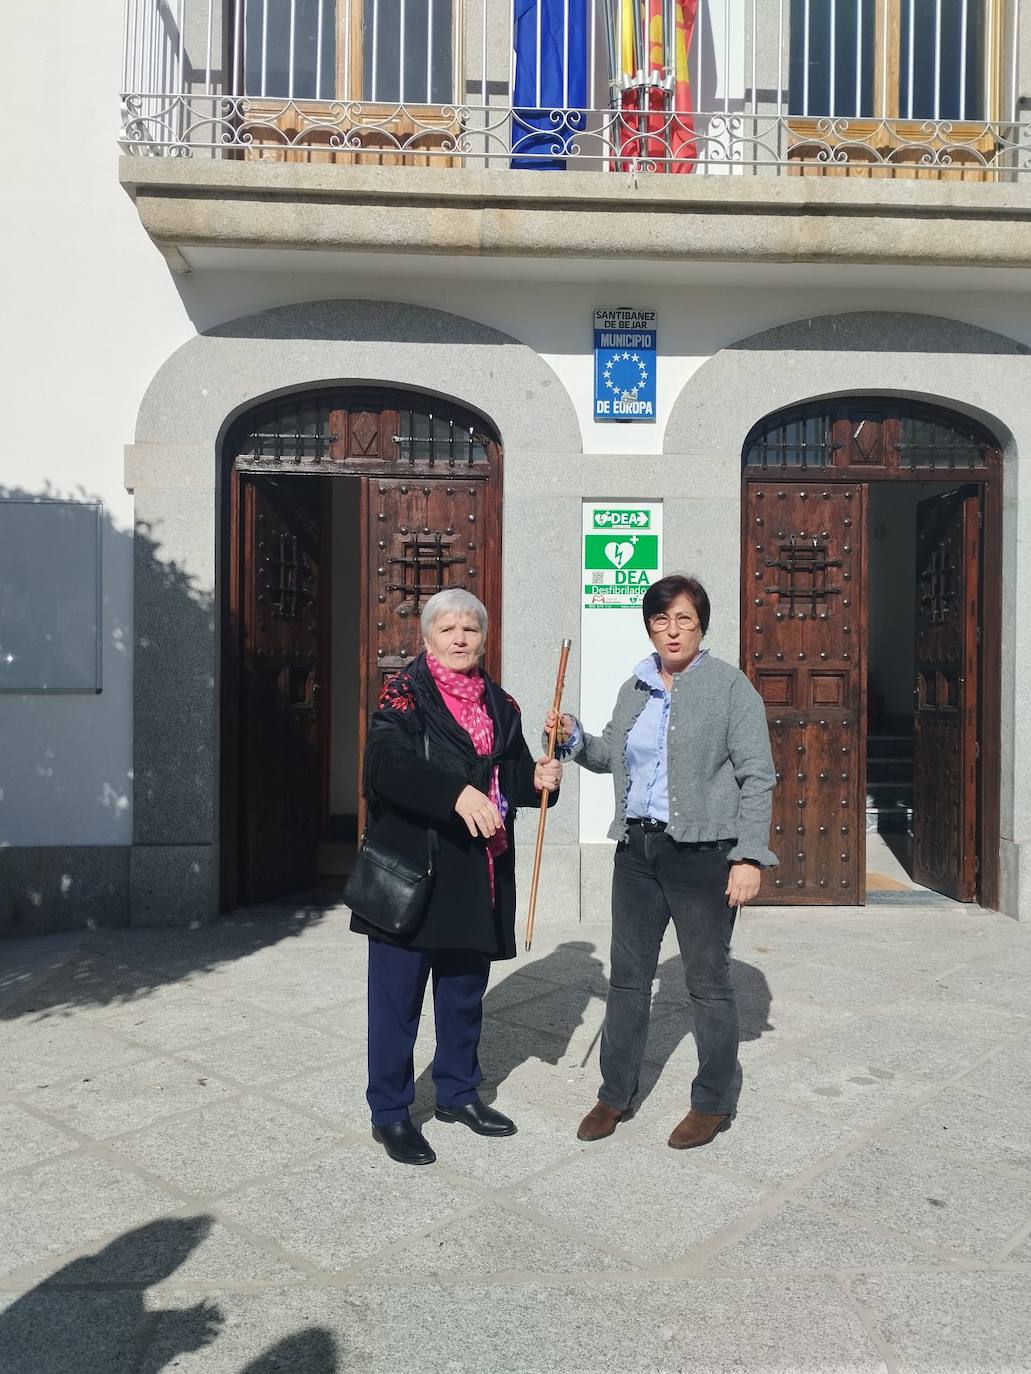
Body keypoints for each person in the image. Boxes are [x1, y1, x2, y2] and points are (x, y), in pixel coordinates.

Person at [547, 573, 776, 1150]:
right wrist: (574, 737)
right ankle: (615, 1092)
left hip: (704, 856)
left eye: (685, 621)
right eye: (661, 620)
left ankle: (713, 1101)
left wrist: (748, 856)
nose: (673, 631)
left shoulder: (731, 688)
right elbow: (609, 757)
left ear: (701, 626)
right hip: (638, 852)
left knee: (707, 983)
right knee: (628, 979)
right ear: (649, 625)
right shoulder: (636, 687)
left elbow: (757, 776)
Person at [352, 587, 561, 1166]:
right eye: (448, 629)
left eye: (470, 628)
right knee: (397, 1001)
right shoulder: (403, 695)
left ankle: (458, 1094)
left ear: (484, 638)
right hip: (413, 869)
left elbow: (513, 775)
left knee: (464, 993)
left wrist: (541, 777)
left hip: (477, 869)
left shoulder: (503, 704)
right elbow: (386, 767)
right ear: (426, 639)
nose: (460, 638)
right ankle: (391, 1113)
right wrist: (455, 793)